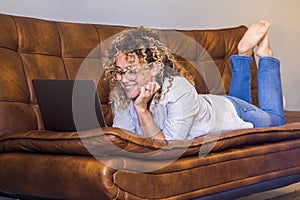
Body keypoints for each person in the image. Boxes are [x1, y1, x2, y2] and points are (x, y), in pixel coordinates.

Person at [103, 21, 285, 140]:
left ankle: (265, 55)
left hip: (234, 112)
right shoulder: (122, 94)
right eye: (118, 71)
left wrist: (141, 109)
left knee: (276, 119)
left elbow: (166, 149)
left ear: (155, 68)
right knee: (246, 101)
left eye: (132, 70)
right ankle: (244, 53)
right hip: (215, 104)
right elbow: (123, 137)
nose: (123, 79)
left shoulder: (178, 90)